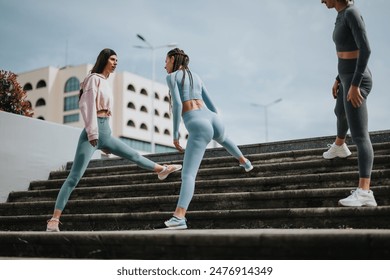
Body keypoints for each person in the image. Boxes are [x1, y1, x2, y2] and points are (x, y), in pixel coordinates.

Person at [46, 48, 182, 232]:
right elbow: (87, 107)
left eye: (117, 59)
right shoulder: (94, 79)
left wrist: (105, 138)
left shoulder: (106, 82)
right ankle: (54, 219)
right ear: (104, 60)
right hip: (91, 134)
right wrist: (94, 134)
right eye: (112, 59)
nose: (116, 62)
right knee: (74, 177)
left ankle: (161, 170)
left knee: (133, 154)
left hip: (105, 131)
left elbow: (106, 113)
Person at [160, 48, 253, 230]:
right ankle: (245, 161)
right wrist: (212, 123)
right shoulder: (196, 76)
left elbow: (178, 104)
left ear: (172, 59)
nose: (165, 65)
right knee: (224, 137)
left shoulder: (172, 77)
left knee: (188, 174)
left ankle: (179, 217)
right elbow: (213, 106)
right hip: (213, 118)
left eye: (166, 61)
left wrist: (175, 134)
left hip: (196, 122)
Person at [321, 0, 377, 207]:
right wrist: (338, 78)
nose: (321, 1)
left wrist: (354, 84)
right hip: (345, 76)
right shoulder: (341, 13)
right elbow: (346, 49)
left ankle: (365, 191)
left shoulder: (352, 12)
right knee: (339, 111)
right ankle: (339, 146)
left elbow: (366, 49)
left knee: (360, 135)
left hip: (357, 79)